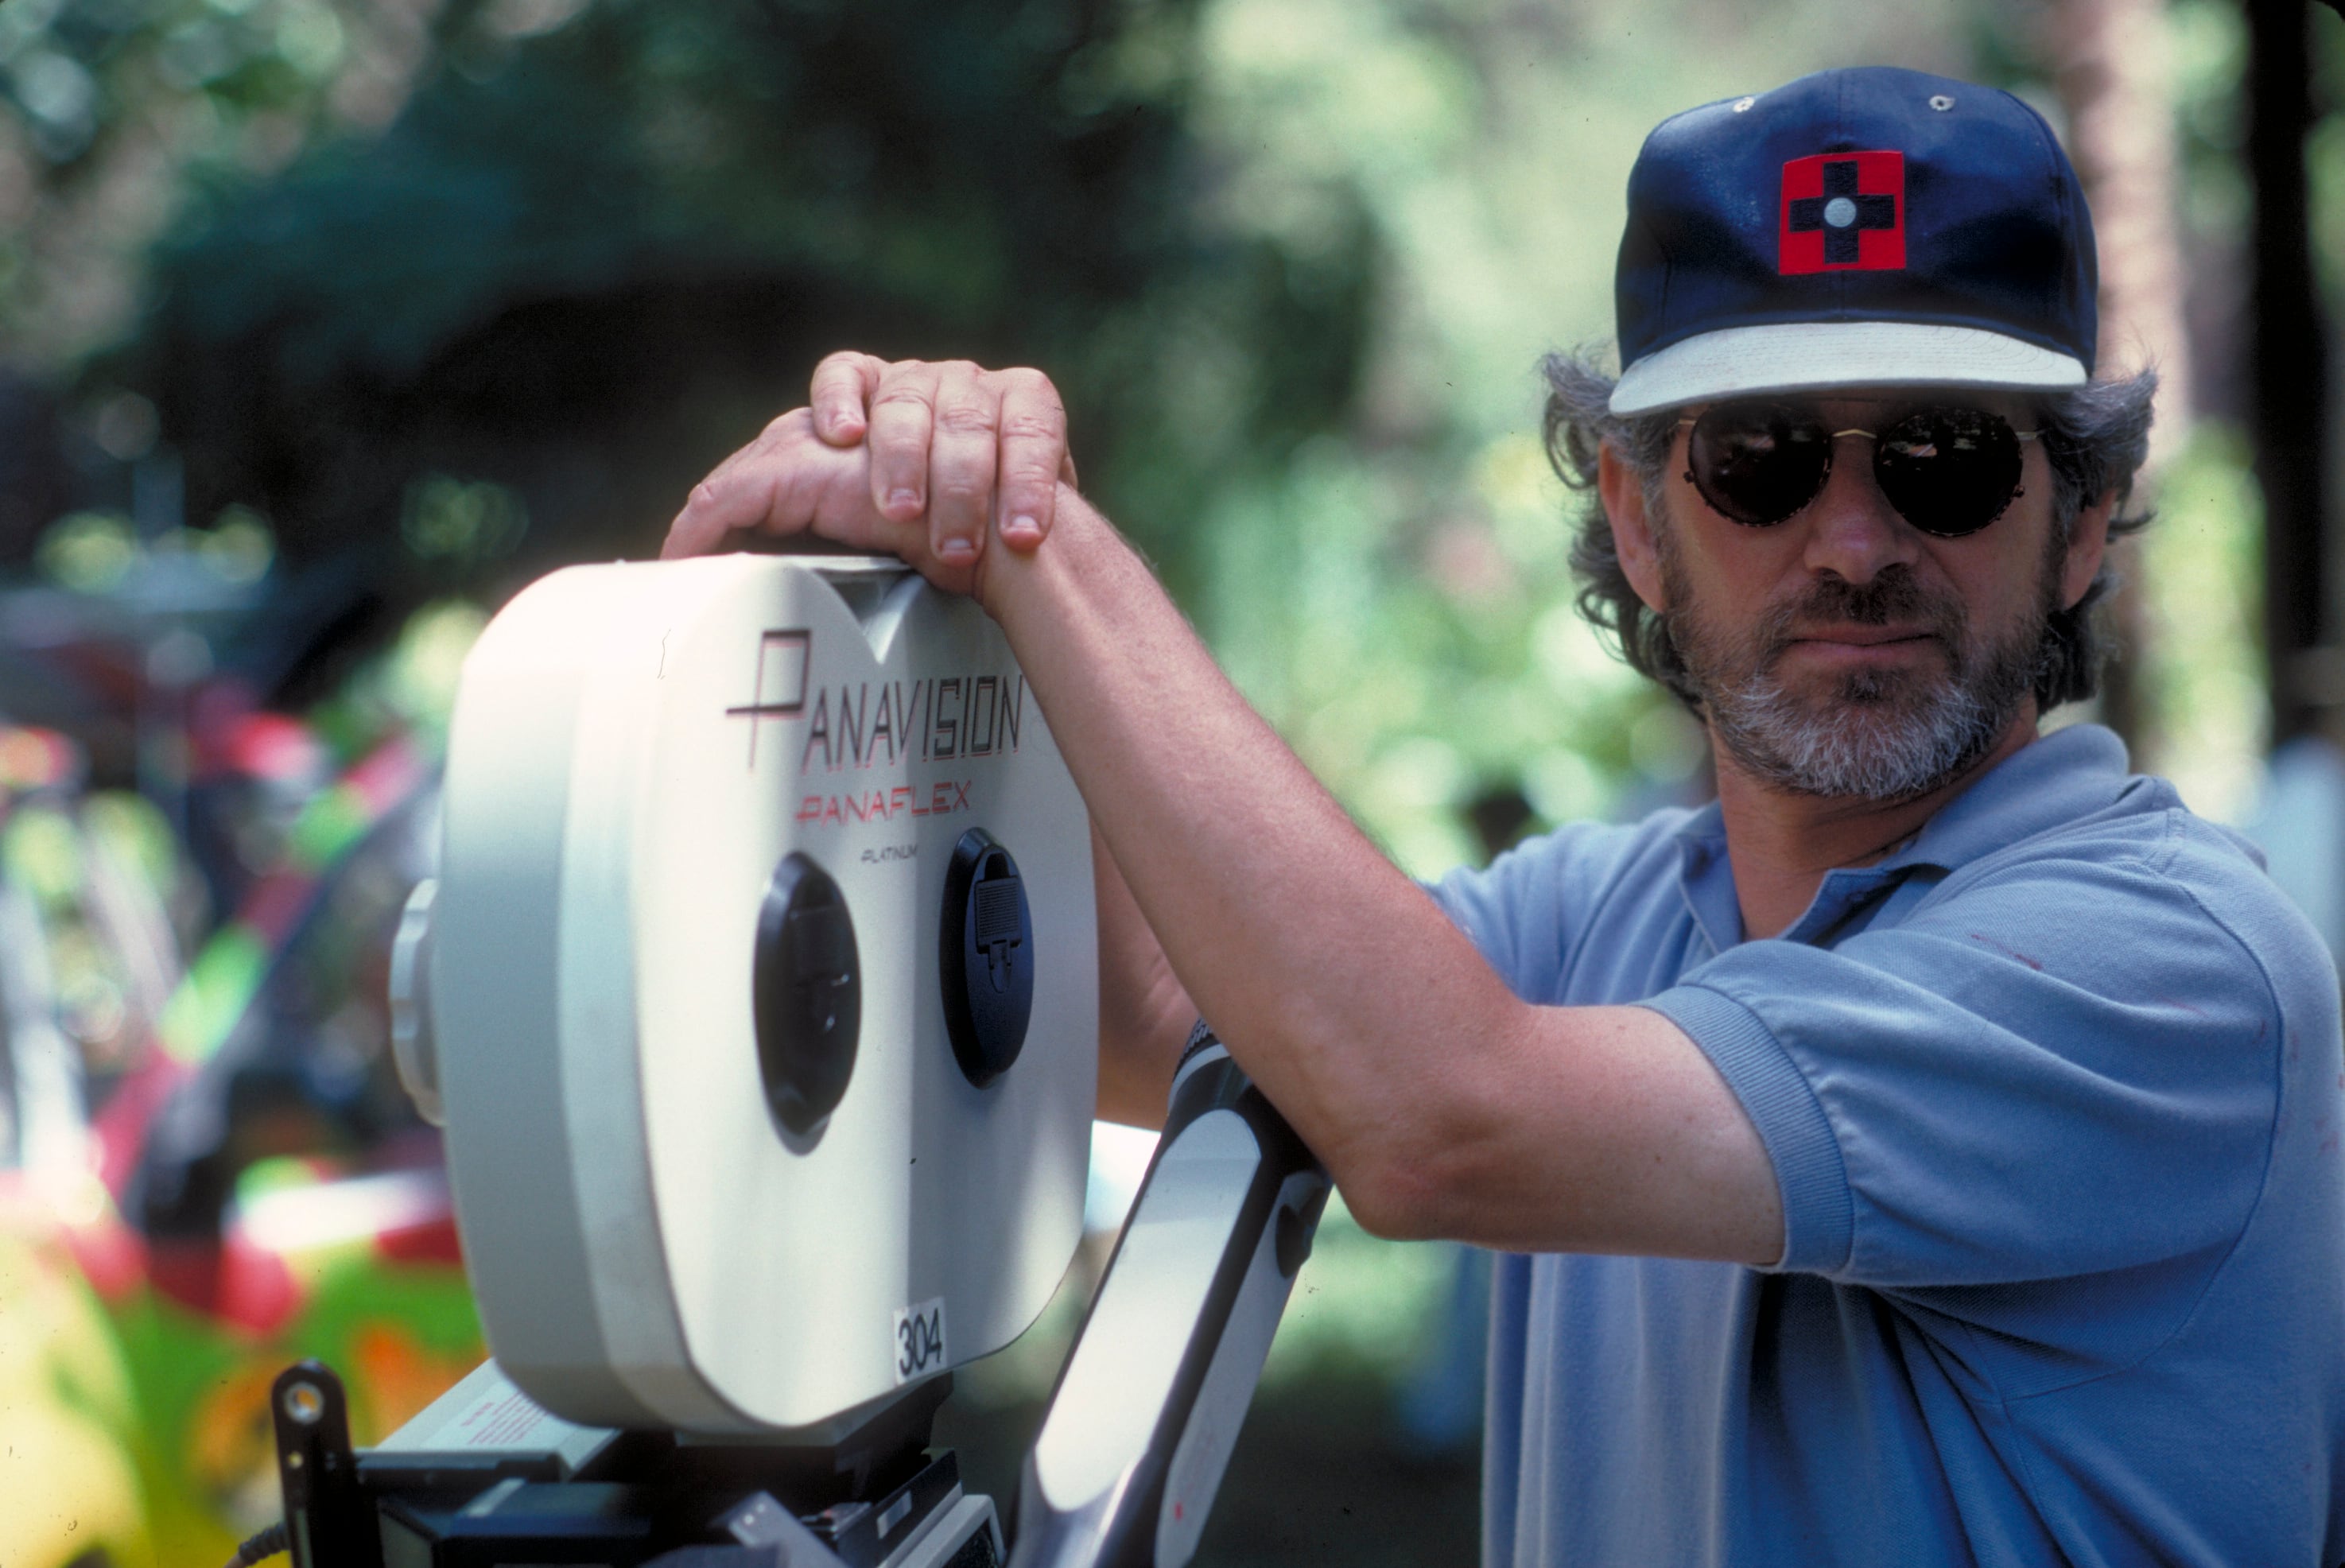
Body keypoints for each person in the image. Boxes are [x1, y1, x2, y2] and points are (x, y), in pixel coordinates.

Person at [663, 66, 2345, 1566]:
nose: (1849, 541)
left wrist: (1020, 538)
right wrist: (851, 647)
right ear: (1631, 515)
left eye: (1943, 455)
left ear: (2078, 519)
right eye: (1758, 457)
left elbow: (1428, 1108)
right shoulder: (1618, 915)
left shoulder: (2161, 969)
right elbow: (1189, 1013)